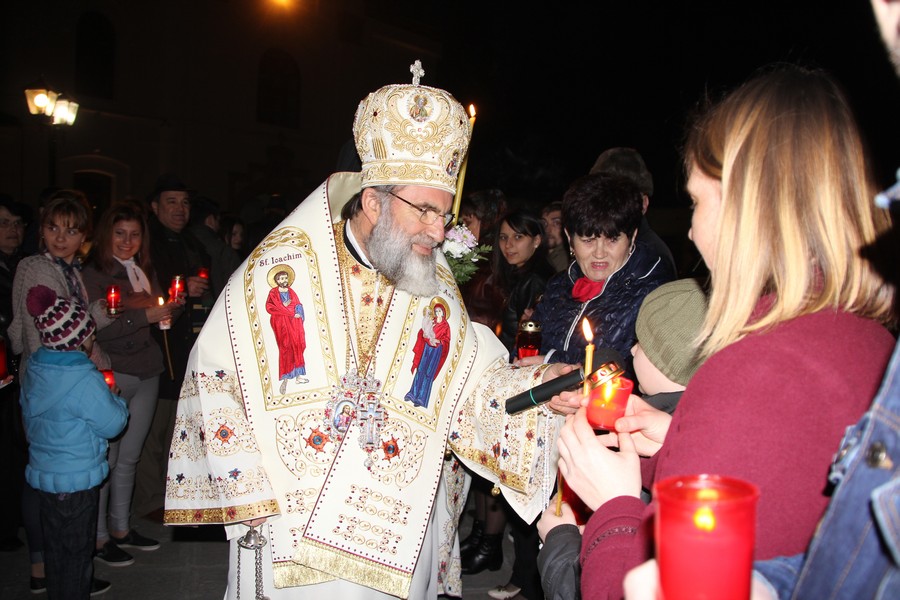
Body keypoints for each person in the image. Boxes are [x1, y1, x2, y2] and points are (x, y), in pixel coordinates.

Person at [163, 63, 578, 600]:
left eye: (445, 213)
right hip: (295, 531)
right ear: (375, 201)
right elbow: (214, 369)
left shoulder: (436, 286)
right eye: (426, 210)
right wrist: (252, 504)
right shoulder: (282, 265)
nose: (440, 230)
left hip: (398, 529)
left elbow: (474, 388)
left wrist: (544, 390)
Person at [558, 65, 895, 600]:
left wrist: (613, 510)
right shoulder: (865, 338)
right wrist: (674, 446)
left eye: (697, 200)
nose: (690, 228)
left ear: (747, 203)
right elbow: (773, 482)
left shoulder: (757, 368)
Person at [536, 278, 708, 600]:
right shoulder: (690, 426)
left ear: (668, 360)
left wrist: (560, 542)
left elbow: (599, 580)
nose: (631, 349)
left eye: (642, 344)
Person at [10, 190, 116, 593]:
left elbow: (72, 324)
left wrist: (99, 317)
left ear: (83, 235)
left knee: (52, 473)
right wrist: (77, 367)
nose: (60, 237)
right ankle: (48, 568)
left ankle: (61, 569)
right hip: (51, 378)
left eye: (70, 230)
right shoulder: (37, 268)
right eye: (53, 227)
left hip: (64, 374)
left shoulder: (70, 269)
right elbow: (43, 331)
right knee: (47, 475)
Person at [460, 209, 554, 600]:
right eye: (503, 237)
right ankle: (484, 536)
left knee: (502, 465)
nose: (509, 245)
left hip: (518, 378)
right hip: (499, 374)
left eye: (518, 237)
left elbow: (525, 331)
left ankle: (493, 544)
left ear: (537, 241)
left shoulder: (537, 280)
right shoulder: (507, 275)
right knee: (485, 462)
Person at [82, 201, 180, 567]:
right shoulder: (93, 273)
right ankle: (98, 536)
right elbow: (96, 329)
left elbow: (157, 312)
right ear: (107, 234)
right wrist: (145, 315)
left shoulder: (141, 270)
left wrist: (173, 306)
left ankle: (121, 529)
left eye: (134, 234)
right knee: (107, 457)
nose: (127, 242)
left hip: (147, 370)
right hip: (115, 371)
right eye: (120, 234)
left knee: (131, 457)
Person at [20, 284, 128, 599]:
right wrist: (115, 399)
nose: (93, 339)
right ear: (79, 339)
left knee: (56, 552)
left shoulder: (36, 370)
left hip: (46, 479)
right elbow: (112, 424)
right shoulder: (84, 378)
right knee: (77, 557)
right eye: (90, 334)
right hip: (78, 482)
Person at [531, 172, 674, 376]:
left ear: (632, 236)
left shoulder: (654, 293)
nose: (599, 253)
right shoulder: (558, 286)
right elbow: (525, 352)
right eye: (588, 240)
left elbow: (626, 369)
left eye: (612, 239)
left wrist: (551, 362)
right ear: (569, 237)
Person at [132, 174, 211, 519]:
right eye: (171, 202)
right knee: (155, 425)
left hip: (186, 341)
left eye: (185, 202)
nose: (180, 209)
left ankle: (169, 493)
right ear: (154, 206)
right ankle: (149, 499)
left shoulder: (191, 242)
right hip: (157, 344)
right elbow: (143, 292)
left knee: (177, 423)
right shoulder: (147, 244)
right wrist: (179, 290)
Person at [589, 148, 677, 276]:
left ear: (644, 203)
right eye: (605, 197)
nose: (612, 206)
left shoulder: (652, 259)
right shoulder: (595, 246)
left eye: (624, 198)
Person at [0, 194, 28, 552]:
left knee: (15, 448)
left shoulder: (22, 264)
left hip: (15, 371)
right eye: (4, 223)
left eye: (17, 223)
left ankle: (13, 518)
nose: (12, 230)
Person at [264, 267, 308, 395]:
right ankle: (285, 377)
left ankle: (299, 376)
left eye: (285, 278)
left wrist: (298, 313)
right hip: (282, 324)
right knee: (286, 347)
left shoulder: (291, 291)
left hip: (294, 323)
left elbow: (297, 304)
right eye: (281, 278)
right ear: (277, 280)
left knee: (298, 345)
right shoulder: (273, 293)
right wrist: (289, 311)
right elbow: (271, 307)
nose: (284, 280)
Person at [188, 196, 241, 298]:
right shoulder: (223, 251)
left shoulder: (180, 243)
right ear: (211, 220)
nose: (239, 239)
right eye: (233, 234)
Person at [540, 202, 568, 274]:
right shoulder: (540, 254)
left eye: (556, 223)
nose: (548, 230)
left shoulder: (565, 259)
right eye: (544, 224)